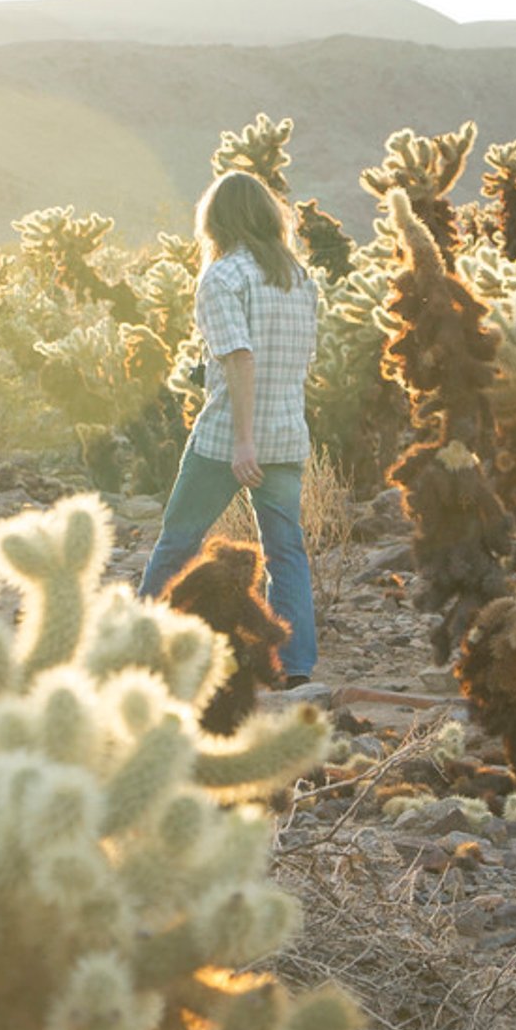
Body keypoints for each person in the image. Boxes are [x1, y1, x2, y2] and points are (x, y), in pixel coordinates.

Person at [138, 170, 321, 687]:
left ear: (216, 221)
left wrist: (243, 440)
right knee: (287, 551)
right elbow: (301, 362)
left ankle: (135, 647)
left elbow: (240, 358)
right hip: (286, 434)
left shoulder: (222, 277)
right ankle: (297, 667)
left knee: (176, 542)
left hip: (227, 439)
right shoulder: (298, 278)